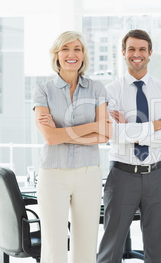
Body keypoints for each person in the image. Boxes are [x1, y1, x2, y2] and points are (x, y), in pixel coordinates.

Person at [96, 29, 161, 263]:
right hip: (122, 175)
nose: (137, 54)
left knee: (156, 248)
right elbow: (112, 132)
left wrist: (131, 131)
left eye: (142, 49)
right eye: (131, 49)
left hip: (158, 175)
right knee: (111, 246)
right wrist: (156, 125)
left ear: (150, 53)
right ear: (123, 53)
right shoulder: (110, 91)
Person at [33, 31, 112, 263]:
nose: (71, 54)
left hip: (89, 173)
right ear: (57, 55)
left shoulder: (97, 89)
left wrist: (62, 133)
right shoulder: (43, 90)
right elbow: (49, 137)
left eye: (77, 49)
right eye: (65, 49)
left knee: (86, 244)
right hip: (52, 174)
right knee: (54, 246)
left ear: (83, 55)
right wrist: (92, 126)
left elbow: (105, 134)